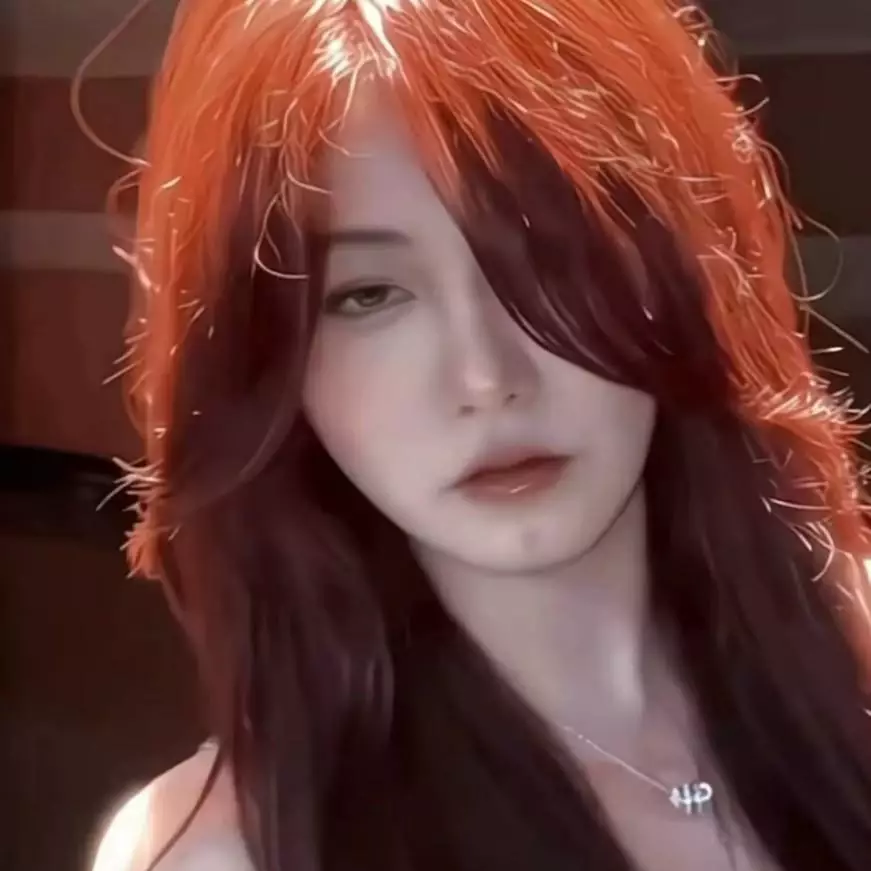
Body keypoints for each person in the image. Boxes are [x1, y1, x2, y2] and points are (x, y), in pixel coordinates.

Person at [90, 0, 871, 869]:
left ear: (677, 261)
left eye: (544, 260)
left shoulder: (845, 662)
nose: (485, 377)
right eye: (367, 294)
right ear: (263, 359)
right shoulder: (229, 851)